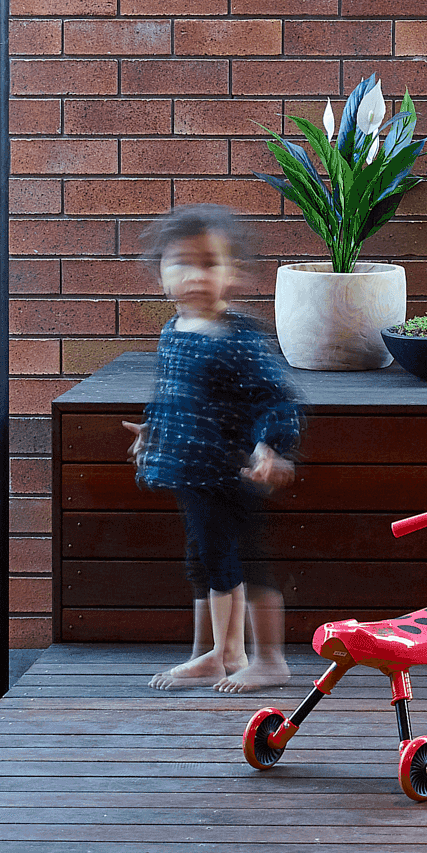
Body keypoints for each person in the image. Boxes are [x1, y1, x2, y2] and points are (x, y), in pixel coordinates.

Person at [123, 204, 298, 692]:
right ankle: (210, 655)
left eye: (209, 263)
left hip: (231, 475)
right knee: (203, 565)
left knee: (243, 567)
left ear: (231, 274)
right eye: (181, 263)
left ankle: (265, 659)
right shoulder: (174, 331)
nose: (195, 276)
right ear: (160, 274)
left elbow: (275, 399)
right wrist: (152, 430)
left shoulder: (237, 339)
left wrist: (270, 446)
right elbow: (173, 395)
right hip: (190, 472)